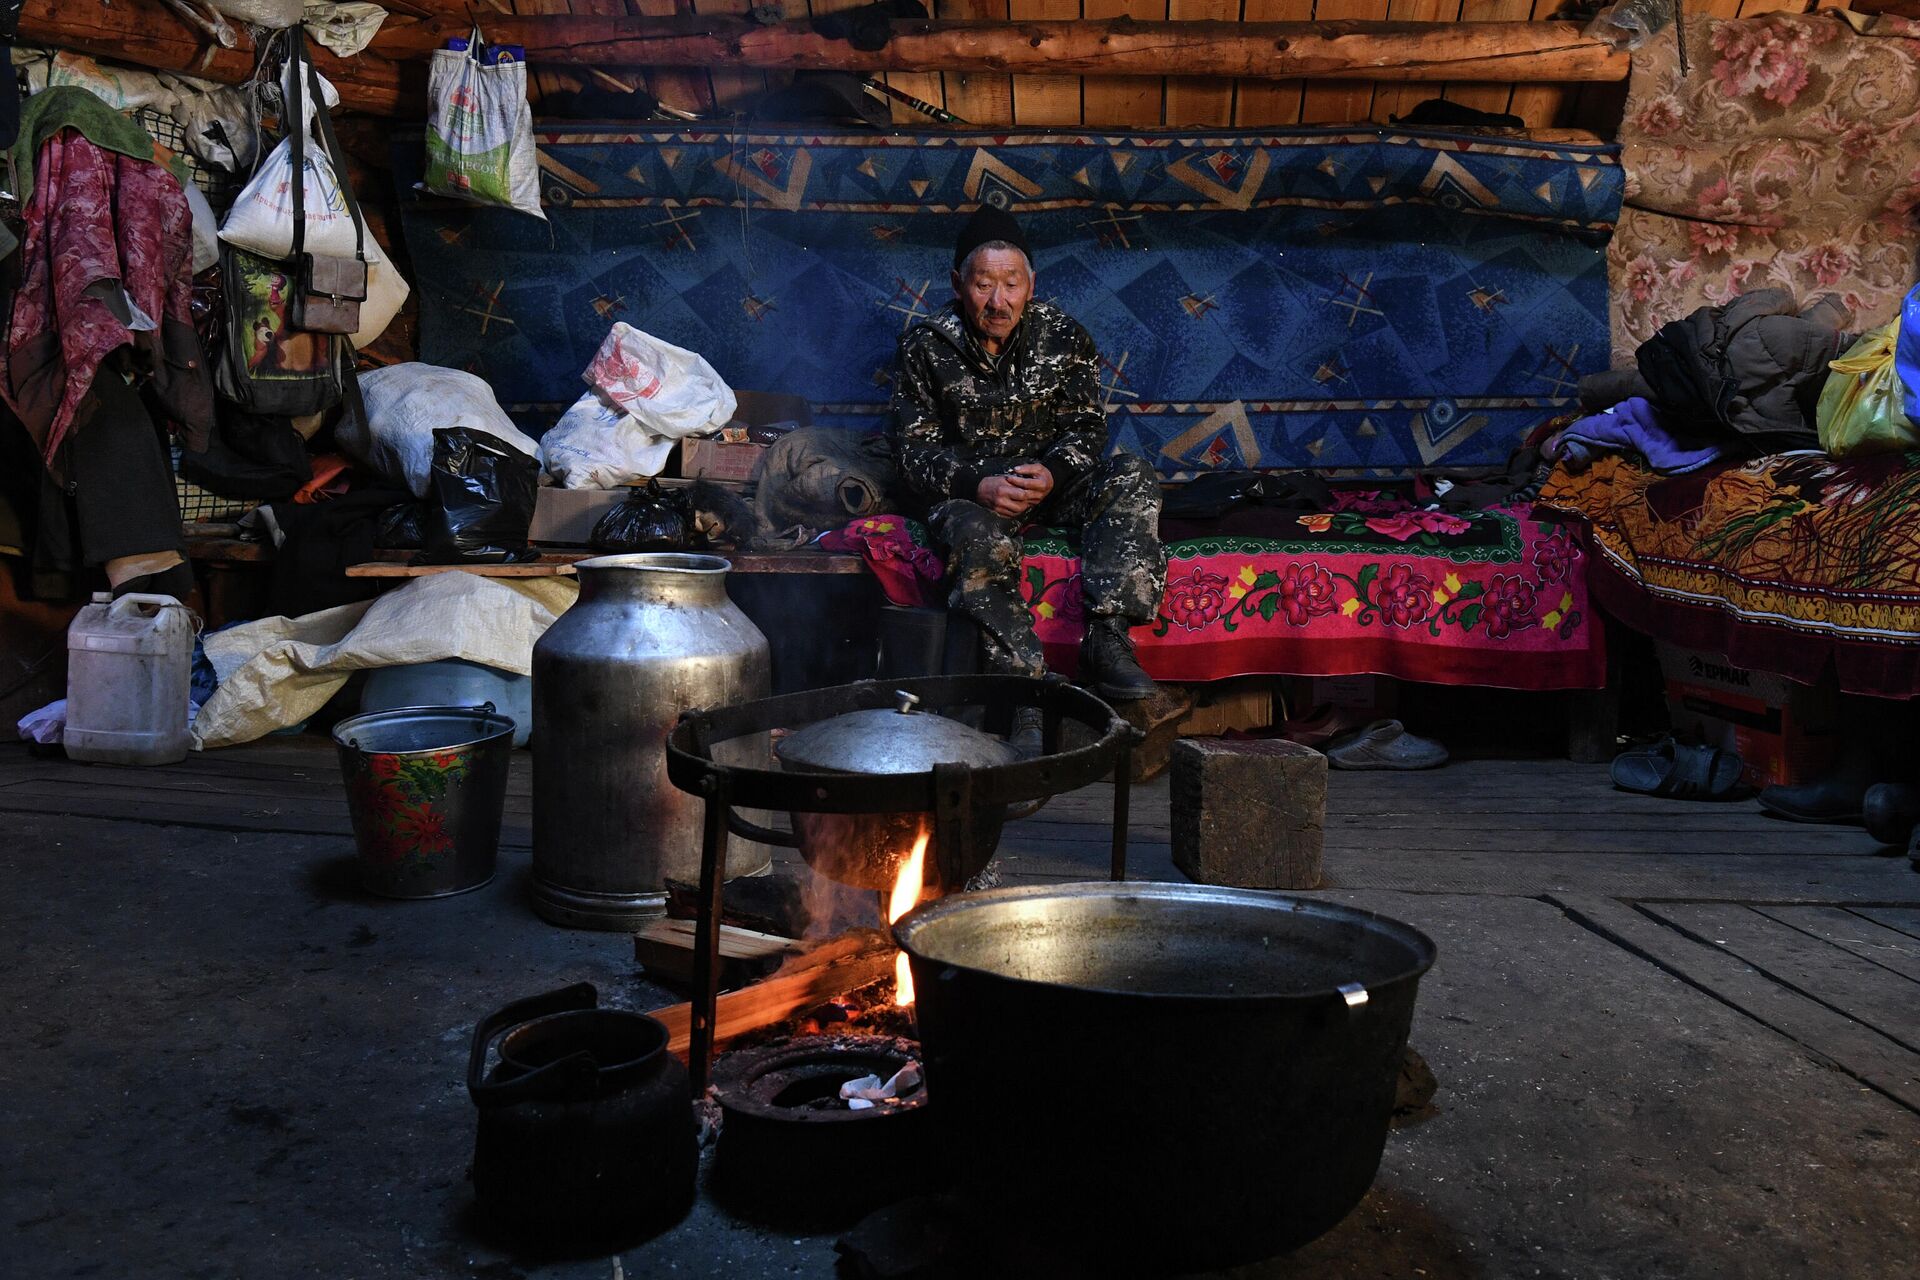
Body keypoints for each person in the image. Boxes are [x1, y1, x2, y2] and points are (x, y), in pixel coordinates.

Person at [890, 204, 1165, 724]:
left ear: (1031, 285)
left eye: (1011, 284)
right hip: (972, 495)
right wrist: (979, 485)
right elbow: (911, 453)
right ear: (957, 283)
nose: (999, 301)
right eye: (983, 285)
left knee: (1132, 474)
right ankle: (1025, 690)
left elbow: (1086, 428)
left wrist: (1055, 473)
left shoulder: (1064, 337)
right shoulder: (924, 345)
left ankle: (1107, 640)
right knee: (978, 536)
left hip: (1047, 485)